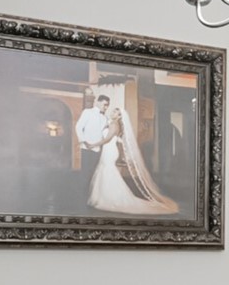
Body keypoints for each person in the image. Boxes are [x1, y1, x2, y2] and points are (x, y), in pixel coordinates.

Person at [75, 87, 179, 215]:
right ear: (98, 102)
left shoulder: (109, 121)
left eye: (108, 106)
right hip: (90, 148)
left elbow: (107, 138)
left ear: (119, 116)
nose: (106, 108)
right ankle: (84, 199)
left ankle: (107, 198)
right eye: (105, 104)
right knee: (87, 174)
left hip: (103, 150)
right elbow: (79, 127)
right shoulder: (91, 113)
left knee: (102, 173)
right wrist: (83, 141)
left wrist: (96, 144)